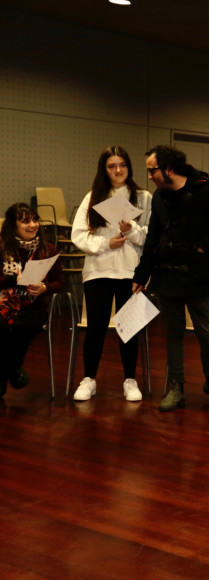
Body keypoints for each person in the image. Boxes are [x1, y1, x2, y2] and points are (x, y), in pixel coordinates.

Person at [132, 145, 209, 412]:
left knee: (206, 332)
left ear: (168, 168)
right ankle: (175, 387)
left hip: (197, 275)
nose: (149, 176)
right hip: (166, 276)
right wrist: (141, 274)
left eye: (152, 170)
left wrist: (205, 246)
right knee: (173, 334)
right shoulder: (159, 198)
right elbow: (153, 238)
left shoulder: (203, 189)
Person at [71, 146, 152, 402]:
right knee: (95, 327)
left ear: (129, 167)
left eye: (122, 165)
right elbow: (78, 235)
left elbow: (150, 238)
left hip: (131, 272)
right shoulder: (92, 196)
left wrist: (131, 230)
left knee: (129, 328)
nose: (118, 170)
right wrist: (107, 244)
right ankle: (89, 379)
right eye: (111, 166)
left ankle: (130, 380)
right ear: (104, 169)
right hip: (98, 271)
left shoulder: (144, 197)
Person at [0, 203, 63, 398]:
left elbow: (60, 283)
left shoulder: (48, 249)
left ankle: (6, 373)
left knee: (23, 325)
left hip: (34, 305)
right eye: (25, 221)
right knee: (2, 328)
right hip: (3, 304)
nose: (33, 225)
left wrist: (45, 288)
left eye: (35, 220)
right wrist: (15, 280)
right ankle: (14, 369)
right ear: (13, 226)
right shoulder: (2, 247)